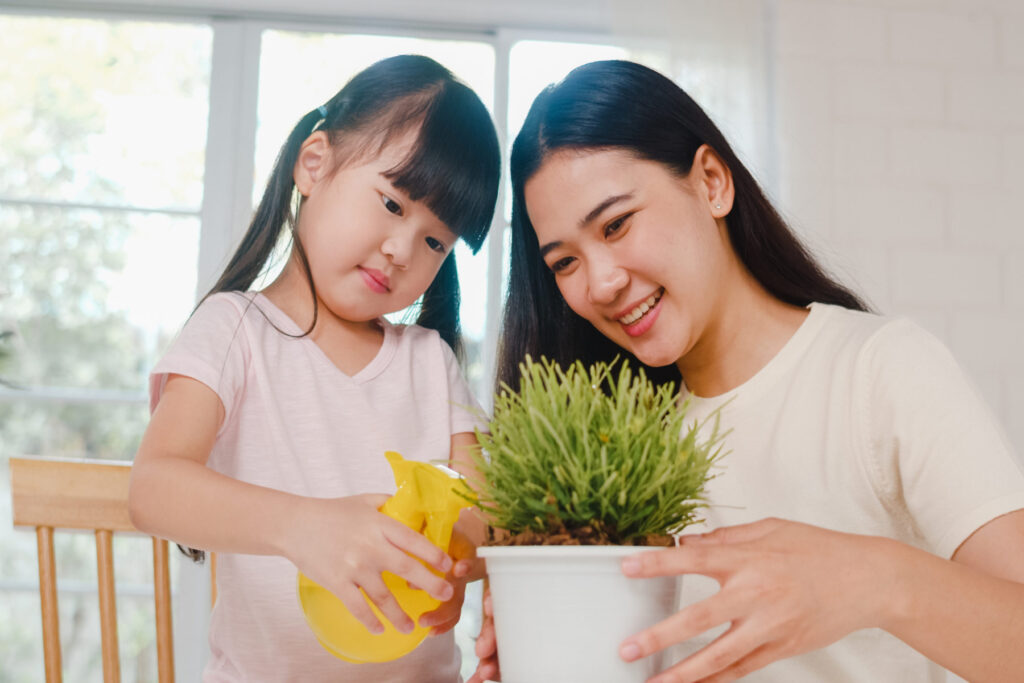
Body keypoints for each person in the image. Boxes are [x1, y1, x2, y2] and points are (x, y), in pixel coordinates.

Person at [469, 59, 1024, 683]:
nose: (601, 283)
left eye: (617, 224)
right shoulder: (612, 458)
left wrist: (879, 579)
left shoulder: (878, 370)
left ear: (711, 182)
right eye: (565, 262)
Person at [129, 55, 499, 682]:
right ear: (315, 163)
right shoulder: (233, 330)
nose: (402, 250)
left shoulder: (429, 363)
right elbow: (153, 488)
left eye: (437, 241)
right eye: (391, 202)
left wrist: (459, 556)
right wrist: (304, 528)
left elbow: (485, 511)